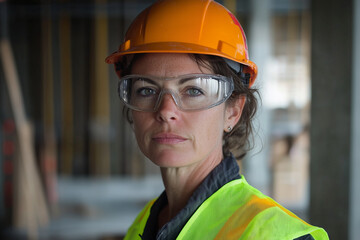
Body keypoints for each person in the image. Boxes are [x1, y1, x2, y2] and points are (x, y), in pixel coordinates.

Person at [106, 0, 329, 239]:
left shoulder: (275, 235)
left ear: (232, 111)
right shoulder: (143, 224)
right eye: (147, 90)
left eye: (193, 91)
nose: (165, 110)